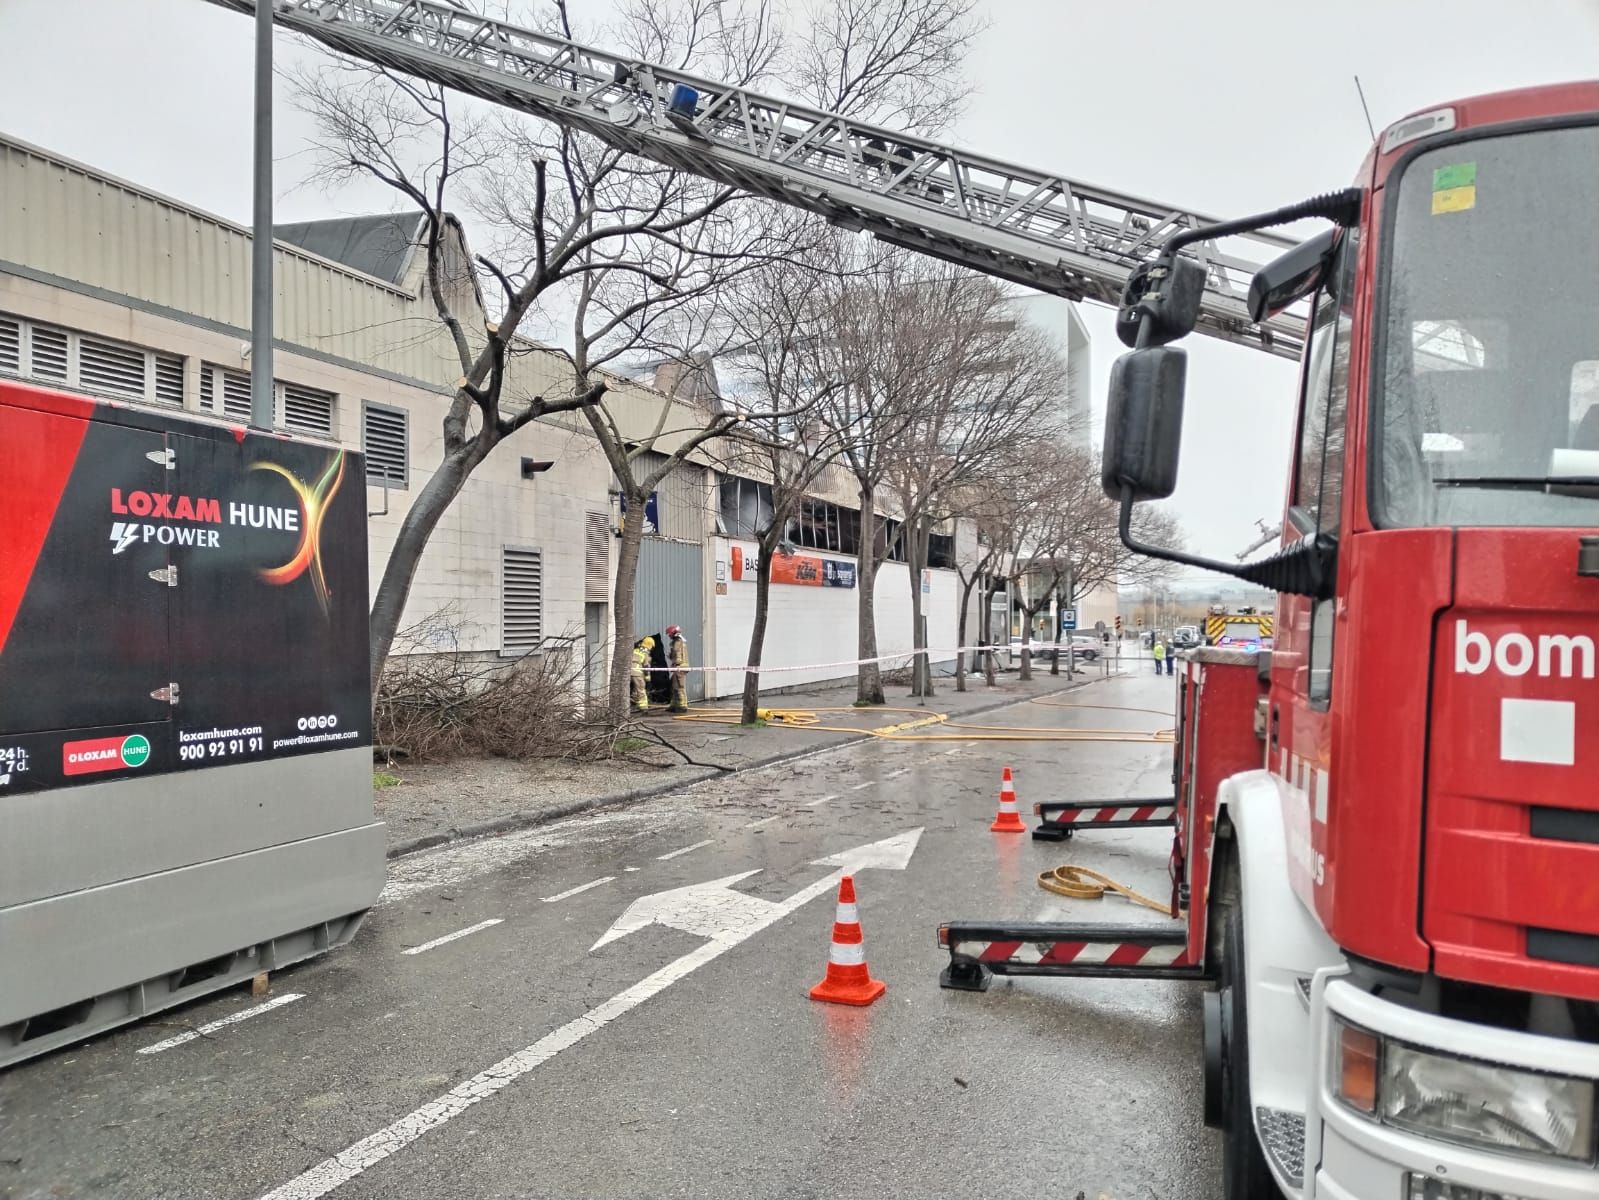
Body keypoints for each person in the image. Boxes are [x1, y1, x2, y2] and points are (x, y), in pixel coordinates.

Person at [665, 624, 690, 713]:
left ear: (673, 633)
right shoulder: (680, 641)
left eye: (669, 634)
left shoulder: (678, 642)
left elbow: (678, 654)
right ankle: (674, 705)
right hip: (679, 667)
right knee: (674, 686)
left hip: (680, 667)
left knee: (679, 687)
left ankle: (682, 706)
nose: (669, 636)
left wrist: (676, 664)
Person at [630, 636, 655, 713]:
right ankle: (643, 708)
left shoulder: (634, 650)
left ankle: (633, 703)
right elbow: (646, 666)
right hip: (638, 673)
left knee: (634, 689)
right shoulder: (645, 653)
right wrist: (647, 677)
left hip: (629, 672)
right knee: (641, 689)